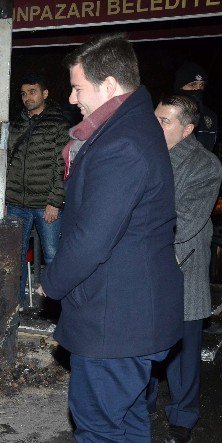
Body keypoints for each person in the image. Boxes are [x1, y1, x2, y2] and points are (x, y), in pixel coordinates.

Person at [36, 34, 184, 441]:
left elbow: (92, 238)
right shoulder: (130, 127)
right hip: (127, 315)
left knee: (100, 428)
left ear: (110, 86)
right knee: (128, 421)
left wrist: (51, 282)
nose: (70, 98)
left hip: (116, 319)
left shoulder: (122, 143)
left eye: (78, 87)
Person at [147, 94, 222, 443]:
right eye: (155, 118)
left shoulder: (204, 165)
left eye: (165, 121)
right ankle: (141, 406)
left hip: (181, 266)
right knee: (142, 343)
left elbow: (187, 221)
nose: (155, 125)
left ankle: (182, 419)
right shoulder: (145, 153)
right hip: (143, 267)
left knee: (182, 352)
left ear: (188, 129)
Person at [6, 73, 69, 308]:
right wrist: (6, 197)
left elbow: (62, 165)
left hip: (45, 204)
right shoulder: (17, 124)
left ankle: (54, 308)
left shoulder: (59, 124)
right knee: (15, 256)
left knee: (53, 256)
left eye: (32, 91)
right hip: (17, 202)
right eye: (23, 93)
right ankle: (18, 304)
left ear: (45, 94)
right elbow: (8, 162)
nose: (27, 97)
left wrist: (55, 201)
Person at [174, 62, 218, 153]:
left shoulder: (210, 116)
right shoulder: (168, 114)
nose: (198, 89)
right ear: (180, 87)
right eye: (193, 85)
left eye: (201, 85)